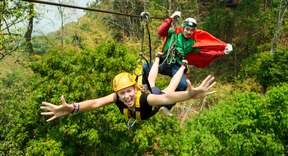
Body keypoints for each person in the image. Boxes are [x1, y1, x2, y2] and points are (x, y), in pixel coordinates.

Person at [40, 53, 216, 123]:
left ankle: (183, 66)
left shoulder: (146, 98)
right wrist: (71, 108)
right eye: (122, 93)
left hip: (152, 100)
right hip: (144, 100)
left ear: (135, 89)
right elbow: (94, 103)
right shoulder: (118, 97)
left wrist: (189, 95)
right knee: (152, 82)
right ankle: (156, 58)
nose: (126, 96)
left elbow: (167, 99)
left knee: (166, 89)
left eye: (129, 91)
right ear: (118, 93)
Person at [143, 11, 232, 91]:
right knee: (146, 67)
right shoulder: (173, 32)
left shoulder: (192, 43)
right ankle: (145, 88)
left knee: (183, 85)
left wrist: (223, 51)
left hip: (176, 67)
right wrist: (171, 18)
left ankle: (166, 102)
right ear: (183, 28)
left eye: (192, 30)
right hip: (164, 62)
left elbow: (207, 51)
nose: (189, 32)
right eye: (187, 29)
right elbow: (161, 31)